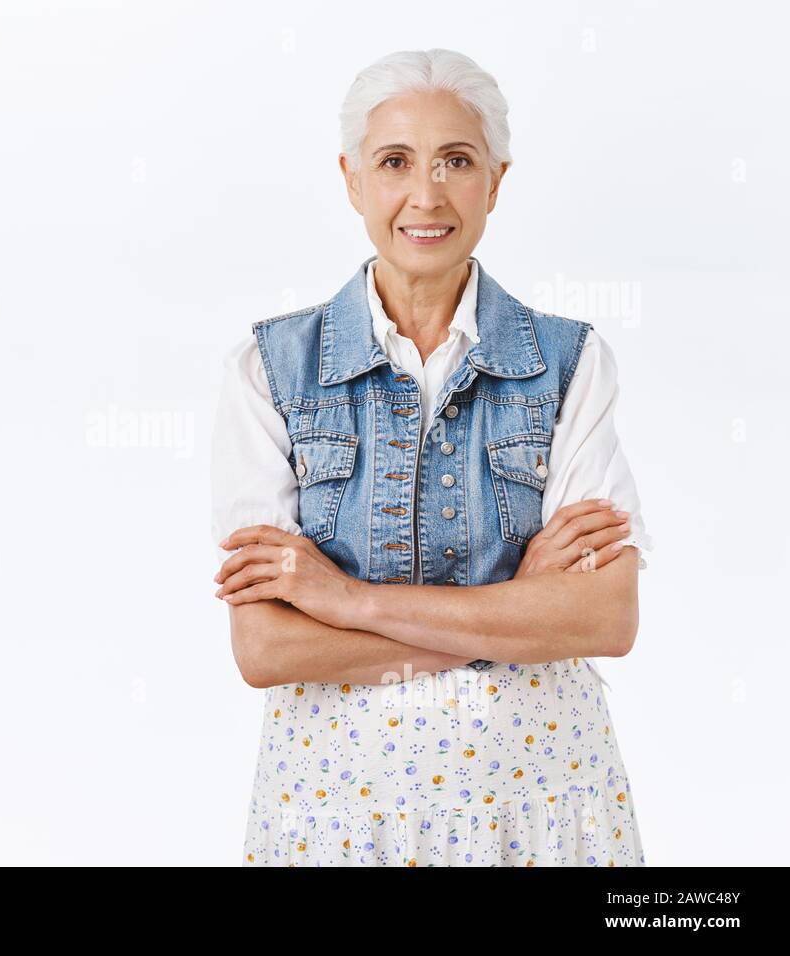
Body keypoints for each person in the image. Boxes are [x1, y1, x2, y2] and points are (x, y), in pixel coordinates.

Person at [209, 48, 653, 866]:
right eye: (394, 162)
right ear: (351, 180)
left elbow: (603, 618)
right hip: (337, 815)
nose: (426, 193)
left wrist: (346, 600)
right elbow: (269, 649)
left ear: (496, 181)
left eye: (457, 160)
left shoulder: (572, 363)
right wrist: (519, 611)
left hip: (544, 810)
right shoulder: (268, 370)